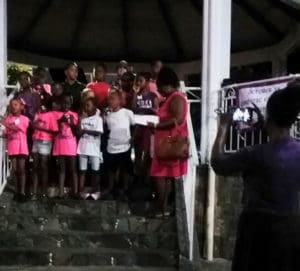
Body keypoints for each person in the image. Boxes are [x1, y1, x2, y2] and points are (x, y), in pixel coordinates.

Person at [211, 82, 300, 271]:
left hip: (256, 232)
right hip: (289, 232)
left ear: (269, 116)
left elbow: (218, 163)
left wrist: (224, 126)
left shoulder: (254, 153)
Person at [149, 67, 188, 217]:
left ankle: (160, 207)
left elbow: (177, 119)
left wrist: (157, 125)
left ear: (167, 84)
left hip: (168, 144)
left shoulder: (176, 98)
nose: (158, 89)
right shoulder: (170, 98)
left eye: (160, 86)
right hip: (166, 143)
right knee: (166, 176)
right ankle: (162, 207)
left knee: (159, 175)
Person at [104, 91, 135, 200]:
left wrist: (132, 139)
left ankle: (125, 189)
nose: (110, 101)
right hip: (112, 146)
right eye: (109, 99)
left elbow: (134, 126)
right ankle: (111, 187)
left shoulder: (128, 113)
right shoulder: (106, 115)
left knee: (125, 169)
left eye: (113, 98)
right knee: (111, 169)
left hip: (125, 146)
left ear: (119, 100)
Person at [1, 98, 30, 201]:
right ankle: (17, 191)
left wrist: (5, 124)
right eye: (12, 104)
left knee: (21, 169)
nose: (13, 106)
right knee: (15, 169)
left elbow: (18, 129)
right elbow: (7, 133)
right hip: (13, 147)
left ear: (21, 106)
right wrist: (5, 129)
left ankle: (22, 191)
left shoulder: (25, 119)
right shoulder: (8, 119)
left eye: (16, 104)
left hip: (22, 147)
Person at [52, 95, 79, 198]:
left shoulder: (75, 115)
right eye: (64, 103)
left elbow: (76, 131)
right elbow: (54, 130)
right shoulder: (57, 115)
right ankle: (61, 191)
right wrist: (60, 121)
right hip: (60, 144)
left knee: (73, 169)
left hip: (71, 144)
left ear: (71, 104)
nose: (66, 105)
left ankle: (75, 191)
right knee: (61, 169)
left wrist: (71, 122)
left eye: (68, 103)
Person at [133, 72, 158, 176]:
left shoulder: (153, 95)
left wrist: (147, 109)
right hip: (138, 126)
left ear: (147, 82)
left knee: (147, 152)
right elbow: (133, 108)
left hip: (149, 127)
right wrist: (135, 93)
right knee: (137, 151)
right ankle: (137, 174)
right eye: (137, 81)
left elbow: (156, 110)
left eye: (141, 81)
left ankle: (146, 175)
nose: (138, 83)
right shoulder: (136, 95)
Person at [77, 97, 103, 200]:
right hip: (82, 147)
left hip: (94, 148)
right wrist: (80, 120)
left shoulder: (98, 119)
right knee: (82, 170)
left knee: (95, 171)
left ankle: (95, 191)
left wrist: (86, 131)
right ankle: (81, 190)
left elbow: (99, 132)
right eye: (85, 105)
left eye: (89, 105)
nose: (86, 107)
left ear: (94, 106)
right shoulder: (82, 118)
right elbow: (79, 132)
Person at [31, 105, 56, 199]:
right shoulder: (37, 114)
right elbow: (33, 125)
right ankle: (34, 191)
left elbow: (54, 130)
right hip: (36, 140)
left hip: (45, 141)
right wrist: (36, 124)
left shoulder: (51, 115)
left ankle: (44, 191)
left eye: (43, 106)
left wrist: (40, 128)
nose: (42, 107)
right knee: (35, 167)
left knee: (44, 166)